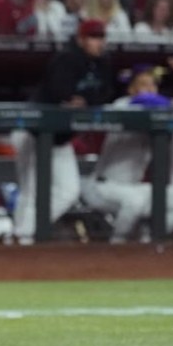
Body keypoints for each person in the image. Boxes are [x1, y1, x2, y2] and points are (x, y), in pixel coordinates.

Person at [11, 19, 114, 244]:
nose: (99, 43)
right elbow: (61, 91)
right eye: (93, 38)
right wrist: (79, 100)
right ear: (81, 39)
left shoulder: (103, 63)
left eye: (101, 38)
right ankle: (23, 240)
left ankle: (26, 232)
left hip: (59, 138)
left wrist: (86, 100)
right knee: (31, 191)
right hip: (32, 131)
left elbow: (107, 93)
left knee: (69, 192)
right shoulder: (66, 58)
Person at [81, 66, 173, 244]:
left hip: (134, 187)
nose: (150, 89)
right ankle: (116, 246)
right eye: (144, 84)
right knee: (134, 201)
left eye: (153, 85)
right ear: (131, 89)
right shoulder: (122, 105)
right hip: (102, 187)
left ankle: (150, 238)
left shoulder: (160, 114)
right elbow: (146, 100)